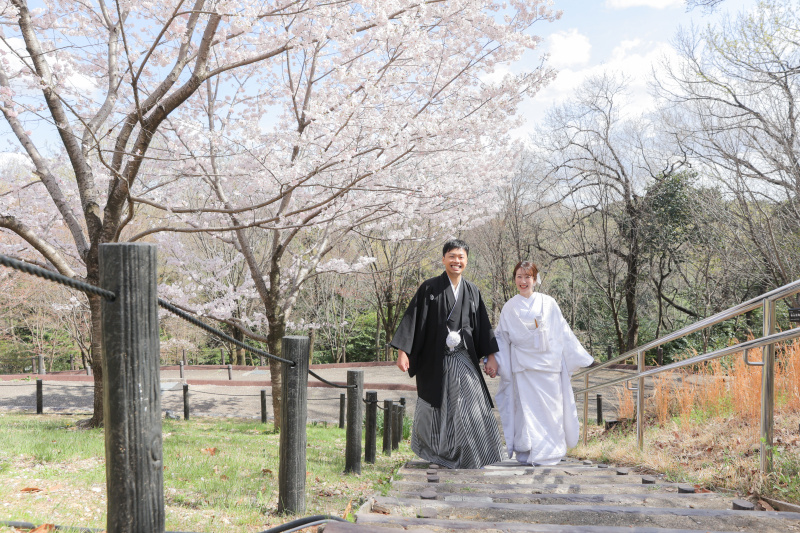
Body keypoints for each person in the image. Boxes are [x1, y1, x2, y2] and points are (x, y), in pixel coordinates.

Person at [390, 239, 504, 469]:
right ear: (443, 259)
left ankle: (472, 453)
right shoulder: (429, 288)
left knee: (471, 403)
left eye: (461, 257)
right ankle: (437, 454)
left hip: (462, 357)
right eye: (451, 256)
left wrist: (491, 356)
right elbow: (413, 320)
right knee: (435, 406)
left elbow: (482, 325)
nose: (456, 261)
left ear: (467, 260)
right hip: (435, 358)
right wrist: (403, 351)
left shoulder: (472, 291)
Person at [485, 260, 594, 465]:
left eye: (528, 277)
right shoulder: (509, 307)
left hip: (547, 366)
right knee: (524, 411)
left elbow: (562, 332)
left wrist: (577, 356)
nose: (523, 281)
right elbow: (501, 337)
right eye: (519, 276)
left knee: (550, 410)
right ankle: (526, 451)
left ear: (535, 279)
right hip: (523, 367)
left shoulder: (549, 303)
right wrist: (494, 360)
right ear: (514, 279)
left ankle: (550, 451)